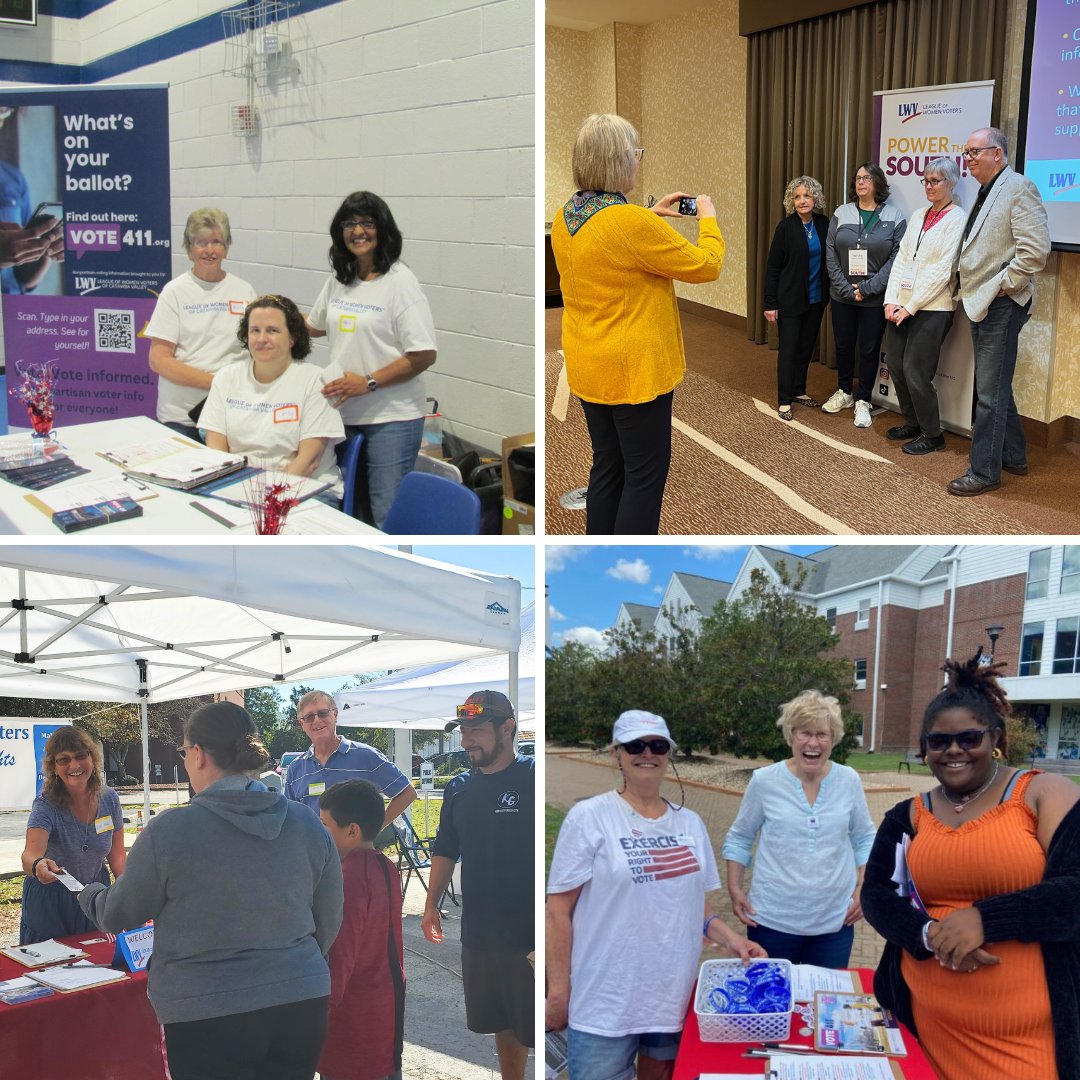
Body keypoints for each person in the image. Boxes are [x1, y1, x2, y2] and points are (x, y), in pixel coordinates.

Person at [78, 701, 344, 1080]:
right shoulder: (306, 823)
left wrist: (88, 892)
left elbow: (117, 914)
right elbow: (330, 916)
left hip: (206, 1009)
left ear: (198, 754)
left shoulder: (170, 831)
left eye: (185, 753)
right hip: (300, 999)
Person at [862, 653, 1080, 1080]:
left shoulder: (1042, 793)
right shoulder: (908, 815)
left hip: (1027, 1041)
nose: (954, 750)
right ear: (925, 748)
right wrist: (926, 934)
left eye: (969, 738)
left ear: (994, 737)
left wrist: (986, 918)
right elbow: (876, 895)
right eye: (939, 742)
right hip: (928, 1029)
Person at [546, 710, 763, 1080]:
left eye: (657, 745)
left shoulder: (690, 824)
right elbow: (557, 910)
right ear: (617, 754)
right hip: (604, 1001)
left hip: (670, 997)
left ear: (668, 755)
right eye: (635, 745)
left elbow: (693, 905)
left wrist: (733, 941)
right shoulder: (589, 817)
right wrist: (559, 990)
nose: (647, 753)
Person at [550, 113, 723, 534]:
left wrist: (652, 213)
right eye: (636, 154)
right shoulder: (632, 223)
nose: (638, 162)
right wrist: (709, 220)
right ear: (618, 161)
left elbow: (614, 246)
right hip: (633, 372)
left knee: (608, 466)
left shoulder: (565, 216)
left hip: (588, 364)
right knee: (644, 476)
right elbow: (707, 265)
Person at [307, 191, 437, 528]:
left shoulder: (400, 282)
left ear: (383, 229)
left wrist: (368, 382)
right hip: (344, 414)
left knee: (384, 515)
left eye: (367, 222)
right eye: (350, 224)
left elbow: (423, 353)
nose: (358, 231)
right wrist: (273, 319)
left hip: (391, 418)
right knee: (351, 511)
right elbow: (314, 327)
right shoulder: (339, 279)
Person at [422, 691, 534, 1080]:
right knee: (503, 1024)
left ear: (508, 728)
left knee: (552, 1030)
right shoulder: (458, 787)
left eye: (476, 730)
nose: (467, 739)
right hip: (482, 933)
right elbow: (445, 847)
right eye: (463, 731)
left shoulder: (535, 776)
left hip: (533, 936)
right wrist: (431, 904)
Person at [723, 690, 876, 966]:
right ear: (791, 736)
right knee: (774, 1003)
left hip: (834, 924)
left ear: (834, 739)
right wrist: (734, 889)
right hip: (771, 922)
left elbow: (865, 837)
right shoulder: (764, 781)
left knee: (825, 1003)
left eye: (822, 734)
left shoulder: (849, 780)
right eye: (804, 733)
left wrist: (864, 886)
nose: (813, 743)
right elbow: (740, 838)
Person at [948, 127, 1051, 496]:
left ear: (999, 154)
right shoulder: (986, 190)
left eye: (976, 151)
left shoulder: (1018, 187)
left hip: (1001, 303)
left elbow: (1035, 252)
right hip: (981, 301)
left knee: (988, 394)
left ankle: (985, 472)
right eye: (967, 152)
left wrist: (1003, 288)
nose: (969, 158)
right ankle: (1014, 454)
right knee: (995, 385)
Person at [201, 293, 344, 484]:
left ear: (292, 338)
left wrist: (270, 496)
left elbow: (308, 462)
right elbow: (216, 447)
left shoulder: (315, 381)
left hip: (302, 487)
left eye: (272, 330)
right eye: (254, 330)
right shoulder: (226, 377)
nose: (261, 338)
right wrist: (226, 485)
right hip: (239, 484)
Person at [317, 780, 405, 1080]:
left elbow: (342, 952)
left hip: (352, 1013)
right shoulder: (386, 866)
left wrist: (322, 1009)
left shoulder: (348, 878)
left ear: (352, 831)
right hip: (386, 1001)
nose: (320, 833)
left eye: (325, 825)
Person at [146, 208, 257, 441]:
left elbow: (257, 349)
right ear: (189, 249)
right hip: (182, 419)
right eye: (200, 243)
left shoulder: (244, 290)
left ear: (226, 247)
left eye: (216, 242)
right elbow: (159, 359)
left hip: (230, 415)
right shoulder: (174, 292)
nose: (209, 250)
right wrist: (215, 383)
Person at [882, 158, 966, 455]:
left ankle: (932, 434)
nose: (929, 186)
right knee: (895, 364)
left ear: (952, 183)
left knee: (916, 371)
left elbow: (944, 270)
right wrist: (892, 299)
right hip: (903, 304)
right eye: (926, 181)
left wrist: (912, 305)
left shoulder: (958, 219)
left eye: (935, 181)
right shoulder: (918, 215)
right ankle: (912, 422)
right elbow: (903, 258)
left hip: (934, 307)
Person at [19, 726, 125, 944]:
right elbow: (29, 855)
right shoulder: (45, 805)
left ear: (92, 759)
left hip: (94, 895)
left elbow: (118, 858)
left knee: (99, 964)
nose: (74, 765)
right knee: (51, 969)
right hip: (50, 902)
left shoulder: (110, 799)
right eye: (64, 759)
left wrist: (129, 897)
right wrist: (38, 864)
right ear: (54, 767)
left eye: (80, 756)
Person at [822, 163, 906, 429]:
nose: (861, 182)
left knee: (869, 349)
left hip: (874, 298)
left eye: (866, 178)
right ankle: (845, 392)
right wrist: (846, 288)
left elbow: (897, 258)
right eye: (857, 178)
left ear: (878, 183)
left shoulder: (895, 216)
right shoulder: (841, 212)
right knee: (844, 345)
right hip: (842, 295)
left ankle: (863, 400)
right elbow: (831, 252)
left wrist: (868, 288)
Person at [284, 690, 416, 828]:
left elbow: (407, 793)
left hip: (355, 850)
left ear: (335, 714)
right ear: (302, 725)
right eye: (309, 717)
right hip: (312, 849)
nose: (317, 720)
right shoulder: (296, 768)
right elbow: (290, 817)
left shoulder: (365, 755)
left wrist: (373, 831)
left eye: (322, 713)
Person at [764, 175, 831, 421]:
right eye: (797, 196)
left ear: (816, 198)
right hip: (789, 300)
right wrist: (770, 303)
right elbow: (772, 268)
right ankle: (784, 399)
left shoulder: (824, 224)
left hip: (816, 299)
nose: (802, 201)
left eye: (807, 195)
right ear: (792, 201)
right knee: (789, 349)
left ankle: (799, 390)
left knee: (805, 347)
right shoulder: (786, 227)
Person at [0, 106, 63, 295]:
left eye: (4, 112)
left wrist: (42, 257)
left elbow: (23, 282)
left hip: (11, 307)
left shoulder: (12, 177)